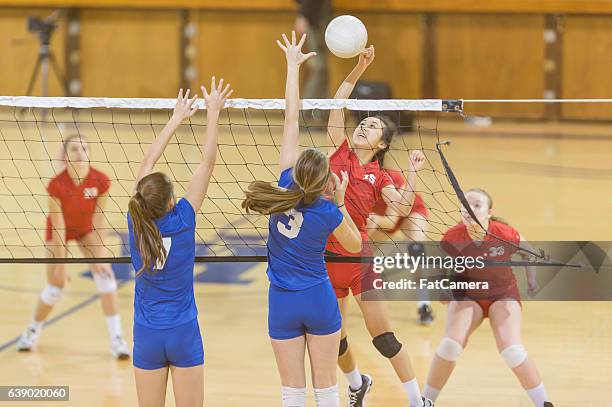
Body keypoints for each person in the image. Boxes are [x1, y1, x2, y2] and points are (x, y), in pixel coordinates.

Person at [242, 31, 362, 407]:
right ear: (326, 182)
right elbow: (356, 246)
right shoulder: (328, 211)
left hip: (282, 302)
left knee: (292, 393)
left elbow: (291, 117)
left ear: (297, 174)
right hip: (318, 298)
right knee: (326, 389)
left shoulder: (280, 190)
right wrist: (341, 203)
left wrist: (292, 66)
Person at [323, 46, 433, 407]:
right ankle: (357, 383)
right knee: (334, 339)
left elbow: (401, 206)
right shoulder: (337, 151)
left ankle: (417, 400)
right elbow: (338, 102)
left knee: (383, 337)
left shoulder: (380, 174)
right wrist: (358, 68)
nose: (363, 126)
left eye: (373, 127)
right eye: (363, 122)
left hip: (359, 261)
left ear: (382, 143)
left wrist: (413, 174)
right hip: (326, 258)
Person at [128, 81, 232, 407]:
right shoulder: (184, 219)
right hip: (183, 332)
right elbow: (207, 164)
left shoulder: (136, 220)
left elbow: (146, 165)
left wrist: (174, 120)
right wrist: (212, 113)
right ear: (173, 201)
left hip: (147, 334)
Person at [423, 188, 554, 407]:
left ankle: (544, 403)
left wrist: (533, 279)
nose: (470, 209)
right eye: (466, 205)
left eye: (477, 205)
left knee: (512, 350)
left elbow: (528, 251)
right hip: (468, 294)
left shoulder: (503, 233)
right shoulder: (452, 237)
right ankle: (424, 402)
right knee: (449, 346)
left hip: (502, 294)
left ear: (489, 212)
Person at [17, 134, 130, 359]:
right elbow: (58, 227)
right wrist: (61, 264)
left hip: (85, 229)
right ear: (65, 156)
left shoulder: (100, 181)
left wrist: (100, 257)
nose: (81, 153)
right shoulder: (56, 185)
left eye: (84, 149)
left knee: (106, 276)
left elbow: (99, 222)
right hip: (60, 230)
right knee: (56, 285)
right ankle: (32, 331)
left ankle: (117, 339)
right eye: (75, 149)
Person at [367, 168, 434, 325]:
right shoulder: (355, 180)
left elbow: (391, 220)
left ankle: (424, 304)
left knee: (417, 252)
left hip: (408, 212)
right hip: (380, 219)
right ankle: (380, 267)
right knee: (362, 251)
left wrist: (374, 220)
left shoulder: (393, 177)